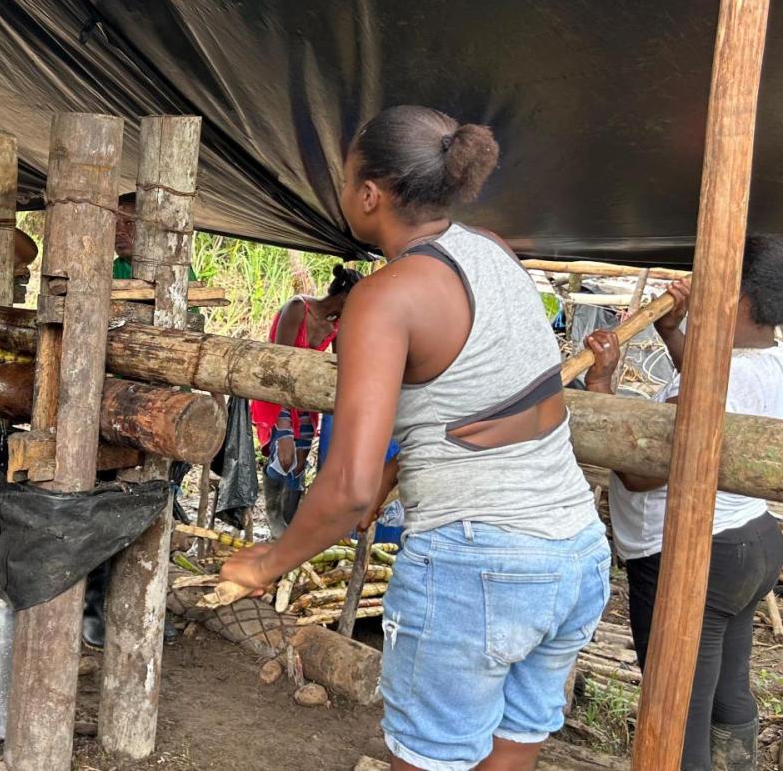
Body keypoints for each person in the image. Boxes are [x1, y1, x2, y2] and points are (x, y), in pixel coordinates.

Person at [220, 105, 607, 771]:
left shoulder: (387, 296)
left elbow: (346, 491)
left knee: (431, 756)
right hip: (573, 552)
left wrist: (265, 564)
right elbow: (497, 409)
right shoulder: (492, 252)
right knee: (513, 742)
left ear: (369, 194)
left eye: (345, 181)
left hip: (478, 562)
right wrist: (399, 477)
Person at [587, 243, 783, 771]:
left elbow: (641, 472)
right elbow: (701, 381)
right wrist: (672, 333)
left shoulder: (724, 377)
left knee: (677, 711)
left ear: (738, 297)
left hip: (693, 555)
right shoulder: (765, 357)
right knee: (726, 690)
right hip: (752, 542)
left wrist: (601, 384)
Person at [81, 190, 190, 650]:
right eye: (118, 225)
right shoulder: (102, 270)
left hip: (158, 415)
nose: (123, 234)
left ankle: (143, 607)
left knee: (152, 514)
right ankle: (94, 612)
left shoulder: (174, 275)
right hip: (109, 410)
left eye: (133, 225)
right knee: (103, 511)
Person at [250, 264, 362, 537]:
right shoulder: (298, 308)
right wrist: (285, 410)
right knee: (284, 455)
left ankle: (288, 530)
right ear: (345, 296)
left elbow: (337, 364)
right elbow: (280, 361)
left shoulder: (336, 325)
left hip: (304, 400)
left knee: (299, 464)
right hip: (276, 393)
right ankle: (275, 520)